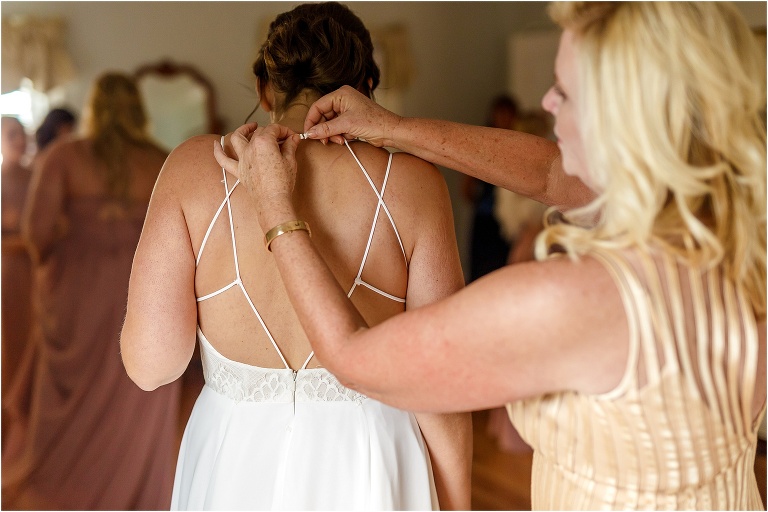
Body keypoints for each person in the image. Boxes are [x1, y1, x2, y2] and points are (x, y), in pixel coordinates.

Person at [217, 2, 766, 509]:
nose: (546, 104)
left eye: (565, 93)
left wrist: (276, 209)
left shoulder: (574, 298)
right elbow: (552, 173)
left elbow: (353, 358)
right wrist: (396, 130)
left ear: (628, 123)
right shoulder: (742, 240)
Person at [120, 3, 472, 510]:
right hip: (369, 456)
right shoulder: (414, 185)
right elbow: (438, 383)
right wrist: (457, 502)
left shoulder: (194, 169)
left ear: (264, 88)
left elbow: (152, 366)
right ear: (366, 85)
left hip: (233, 461)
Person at [2, 72, 178, 510]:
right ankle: (132, 491)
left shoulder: (65, 157)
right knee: (136, 390)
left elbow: (36, 232)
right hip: (144, 287)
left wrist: (54, 268)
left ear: (93, 108)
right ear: (138, 108)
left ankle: (59, 492)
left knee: (69, 388)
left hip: (78, 294)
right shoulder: (160, 159)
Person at [1, 117, 34, 449]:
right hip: (10, 275)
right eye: (12, 134)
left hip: (41, 273)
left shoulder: (37, 175)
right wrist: (29, 242)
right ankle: (9, 415)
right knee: (12, 342)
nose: (20, 140)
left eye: (23, 133)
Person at [462, 95, 518, 282]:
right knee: (481, 272)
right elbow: (467, 187)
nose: (504, 118)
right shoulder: (482, 145)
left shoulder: (520, 146)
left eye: (508, 114)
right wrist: (483, 203)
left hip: (509, 222)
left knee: (504, 271)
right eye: (500, 113)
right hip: (485, 219)